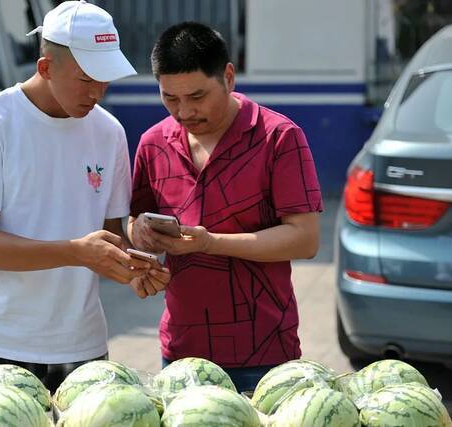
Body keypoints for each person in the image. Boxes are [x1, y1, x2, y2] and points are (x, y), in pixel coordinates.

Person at [0, 0, 169, 392]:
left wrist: (135, 266)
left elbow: (108, 238)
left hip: (83, 347)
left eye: (106, 78)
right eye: (86, 78)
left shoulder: (109, 132)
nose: (97, 92)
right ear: (45, 68)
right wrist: (76, 252)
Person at [128, 22, 322, 392]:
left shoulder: (279, 138)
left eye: (197, 96)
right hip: (181, 354)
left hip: (264, 353)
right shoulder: (153, 143)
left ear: (228, 76)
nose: (184, 112)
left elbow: (304, 239)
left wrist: (209, 242)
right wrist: (138, 247)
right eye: (170, 98)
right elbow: (134, 221)